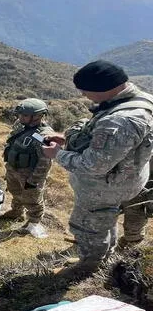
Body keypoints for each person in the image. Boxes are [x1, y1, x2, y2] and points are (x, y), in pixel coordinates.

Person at [43, 60, 153, 274]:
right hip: (128, 179)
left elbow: (93, 166)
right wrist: (68, 139)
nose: (84, 95)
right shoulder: (141, 100)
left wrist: (57, 154)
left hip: (105, 188)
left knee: (89, 228)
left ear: (104, 89)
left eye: (86, 91)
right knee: (105, 220)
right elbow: (115, 146)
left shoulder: (120, 121)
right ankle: (105, 256)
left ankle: (87, 268)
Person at [0, 98, 54, 238]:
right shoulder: (21, 125)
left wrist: (33, 181)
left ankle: (33, 222)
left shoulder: (44, 136)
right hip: (13, 168)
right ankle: (16, 212)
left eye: (25, 115)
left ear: (37, 116)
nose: (20, 117)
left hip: (29, 174)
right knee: (15, 191)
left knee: (32, 199)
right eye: (20, 114)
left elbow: (45, 162)